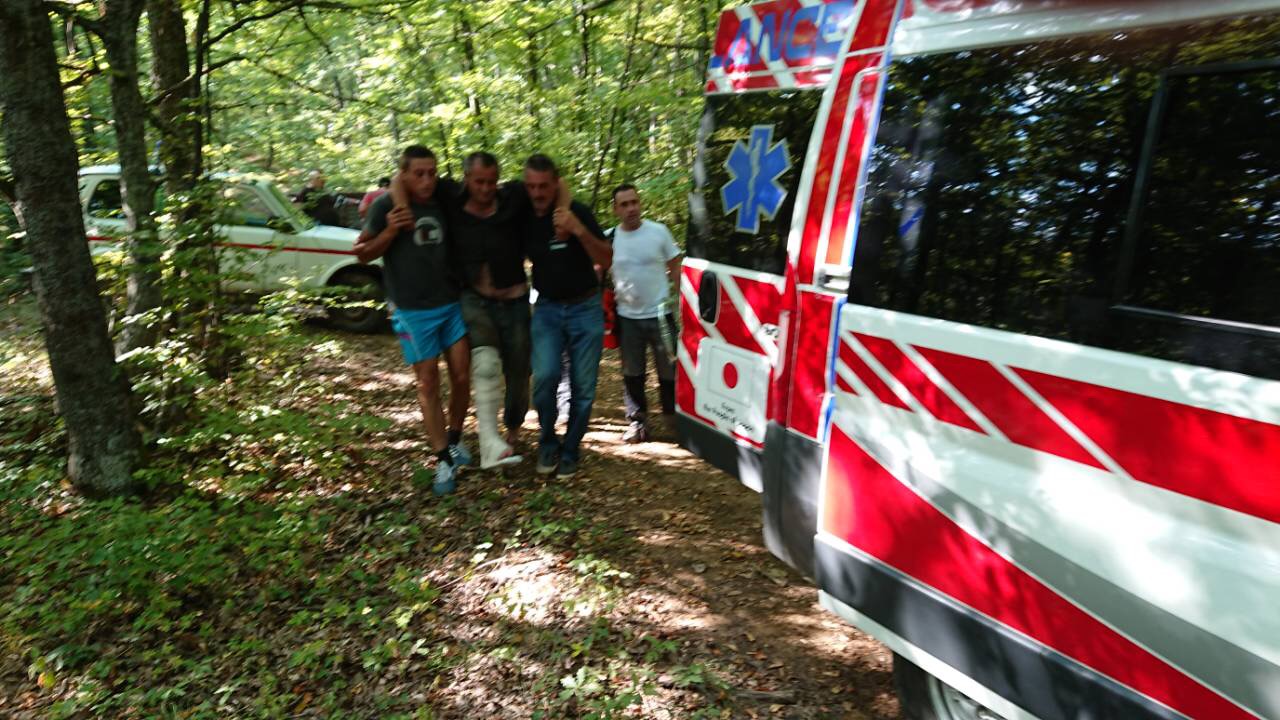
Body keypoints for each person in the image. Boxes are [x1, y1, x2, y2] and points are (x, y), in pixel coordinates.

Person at [356, 146, 473, 495]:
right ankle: (442, 459)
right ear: (404, 175)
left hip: (450, 303)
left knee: (462, 375)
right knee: (428, 383)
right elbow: (362, 253)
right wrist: (390, 231)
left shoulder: (443, 199)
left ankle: (454, 439)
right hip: (412, 310)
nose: (427, 180)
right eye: (419, 173)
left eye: (431, 173)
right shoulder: (385, 207)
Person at [523, 154, 613, 479]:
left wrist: (578, 230)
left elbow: (607, 257)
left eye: (543, 186)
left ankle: (571, 449)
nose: (537, 193)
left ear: (555, 183)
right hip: (547, 308)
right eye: (531, 186)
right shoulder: (523, 215)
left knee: (583, 387)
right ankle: (547, 441)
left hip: (585, 307)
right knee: (545, 377)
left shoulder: (578, 211)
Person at [608, 184, 682, 442]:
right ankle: (637, 423)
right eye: (624, 204)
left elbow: (676, 267)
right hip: (627, 317)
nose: (631, 209)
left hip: (661, 314)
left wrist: (684, 303)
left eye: (634, 202)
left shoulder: (659, 232)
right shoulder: (610, 238)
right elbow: (598, 269)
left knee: (669, 370)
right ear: (615, 209)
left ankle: (673, 419)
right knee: (633, 372)